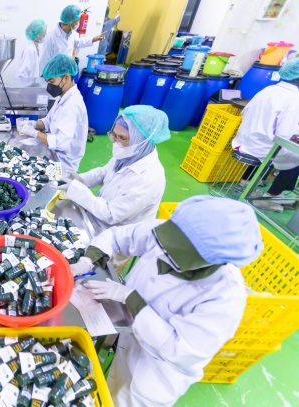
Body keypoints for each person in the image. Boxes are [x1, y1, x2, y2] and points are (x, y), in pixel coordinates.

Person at [71, 196, 263, 406]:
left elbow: (180, 350)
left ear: (207, 260)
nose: (162, 250)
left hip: (152, 373)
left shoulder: (225, 297)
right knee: (101, 386)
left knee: (122, 399)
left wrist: (132, 299)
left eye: (173, 253)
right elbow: (118, 236)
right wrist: (87, 260)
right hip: (125, 339)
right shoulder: (172, 233)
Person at [55, 105, 170, 233]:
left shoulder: (149, 178)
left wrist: (77, 190)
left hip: (119, 235)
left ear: (142, 140)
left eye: (122, 138)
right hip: (98, 215)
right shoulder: (130, 154)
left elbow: (111, 214)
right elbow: (104, 172)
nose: (116, 142)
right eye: (114, 135)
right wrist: (80, 179)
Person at [232, 58, 299, 212]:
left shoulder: (269, 89)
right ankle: (271, 196)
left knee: (272, 147)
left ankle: (245, 182)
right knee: (295, 156)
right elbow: (285, 134)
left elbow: (245, 112)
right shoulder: (294, 99)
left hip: (244, 141)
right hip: (263, 149)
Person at [19, 54, 88, 172]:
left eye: (52, 81)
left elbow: (61, 142)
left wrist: (34, 133)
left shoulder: (72, 105)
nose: (49, 86)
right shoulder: (62, 96)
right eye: (47, 81)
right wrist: (33, 124)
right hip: (54, 153)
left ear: (66, 77)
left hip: (64, 163)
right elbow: (48, 121)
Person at [39, 4, 106, 74]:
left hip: (67, 73)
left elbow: (78, 42)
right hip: (54, 75)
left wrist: (94, 39)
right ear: (71, 22)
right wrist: (45, 77)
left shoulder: (72, 33)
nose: (78, 23)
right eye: (78, 20)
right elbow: (44, 60)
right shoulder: (51, 37)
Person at [17, 19, 47, 87]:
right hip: (28, 87)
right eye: (44, 33)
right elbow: (23, 73)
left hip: (31, 85)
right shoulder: (30, 50)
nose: (45, 35)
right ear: (36, 34)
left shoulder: (34, 46)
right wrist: (30, 86)